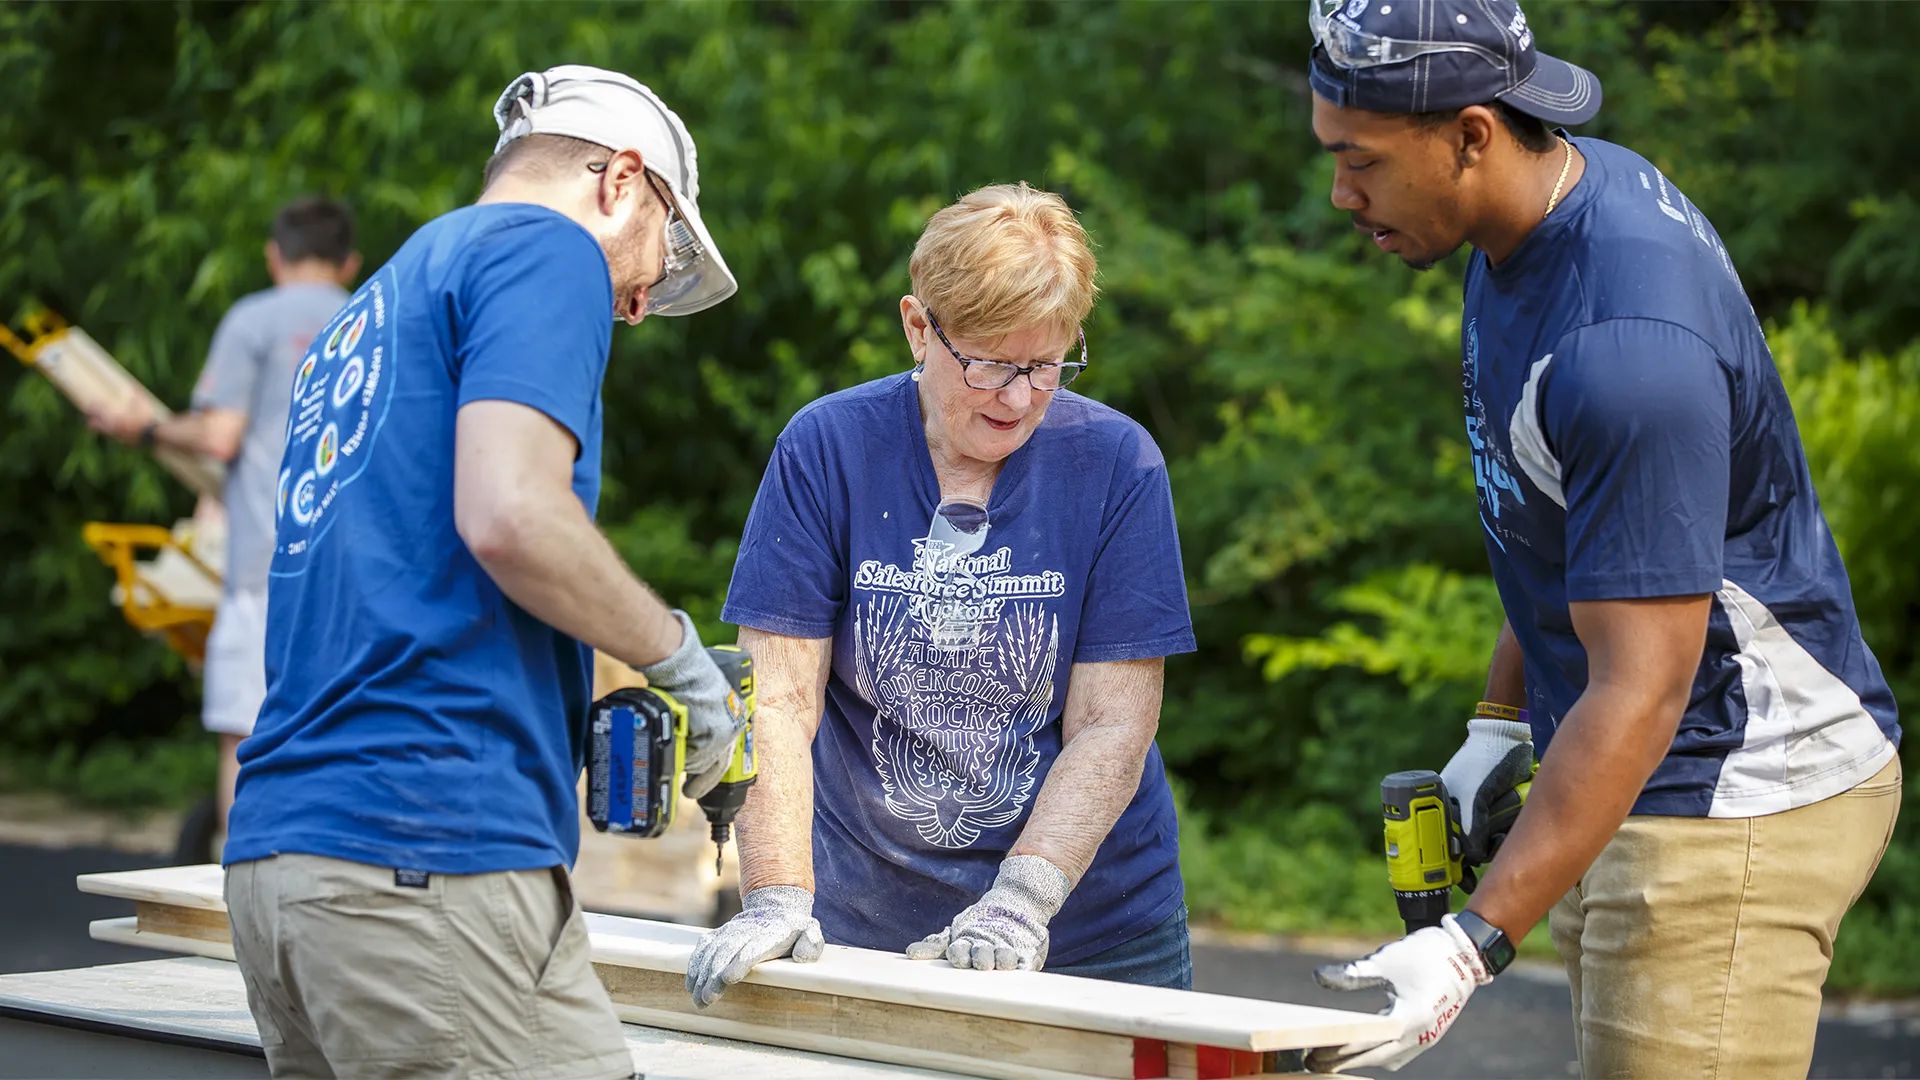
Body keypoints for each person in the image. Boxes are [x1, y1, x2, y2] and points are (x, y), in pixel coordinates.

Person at [1302, 1, 1903, 1075]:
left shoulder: (1625, 349)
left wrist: (1468, 943)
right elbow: (1564, 528)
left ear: (1474, 134)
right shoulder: (1522, 225)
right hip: (1632, 769)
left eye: (1363, 162)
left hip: (1730, 787)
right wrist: (1501, 718)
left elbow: (1646, 688)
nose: (1342, 193)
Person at [220, 65, 747, 1079]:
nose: (641, 302)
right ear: (618, 181)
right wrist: (680, 663)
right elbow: (511, 515)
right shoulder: (546, 250)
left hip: (295, 855)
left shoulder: (369, 311)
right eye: (666, 249)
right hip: (424, 850)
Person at [684, 183, 1198, 1008]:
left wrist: (1021, 904)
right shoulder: (830, 448)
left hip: (1097, 931)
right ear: (919, 327)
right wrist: (776, 893)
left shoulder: (1116, 464)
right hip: (863, 916)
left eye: (1046, 364)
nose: (1021, 397)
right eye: (993, 363)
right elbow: (776, 699)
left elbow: (1113, 722)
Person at [87, 198, 360, 841]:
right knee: (341, 744)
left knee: (248, 742)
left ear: (274, 255)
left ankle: (236, 911)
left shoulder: (254, 320)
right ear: (349, 261)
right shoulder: (374, 319)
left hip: (268, 565)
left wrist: (145, 428)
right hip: (357, 575)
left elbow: (220, 436)